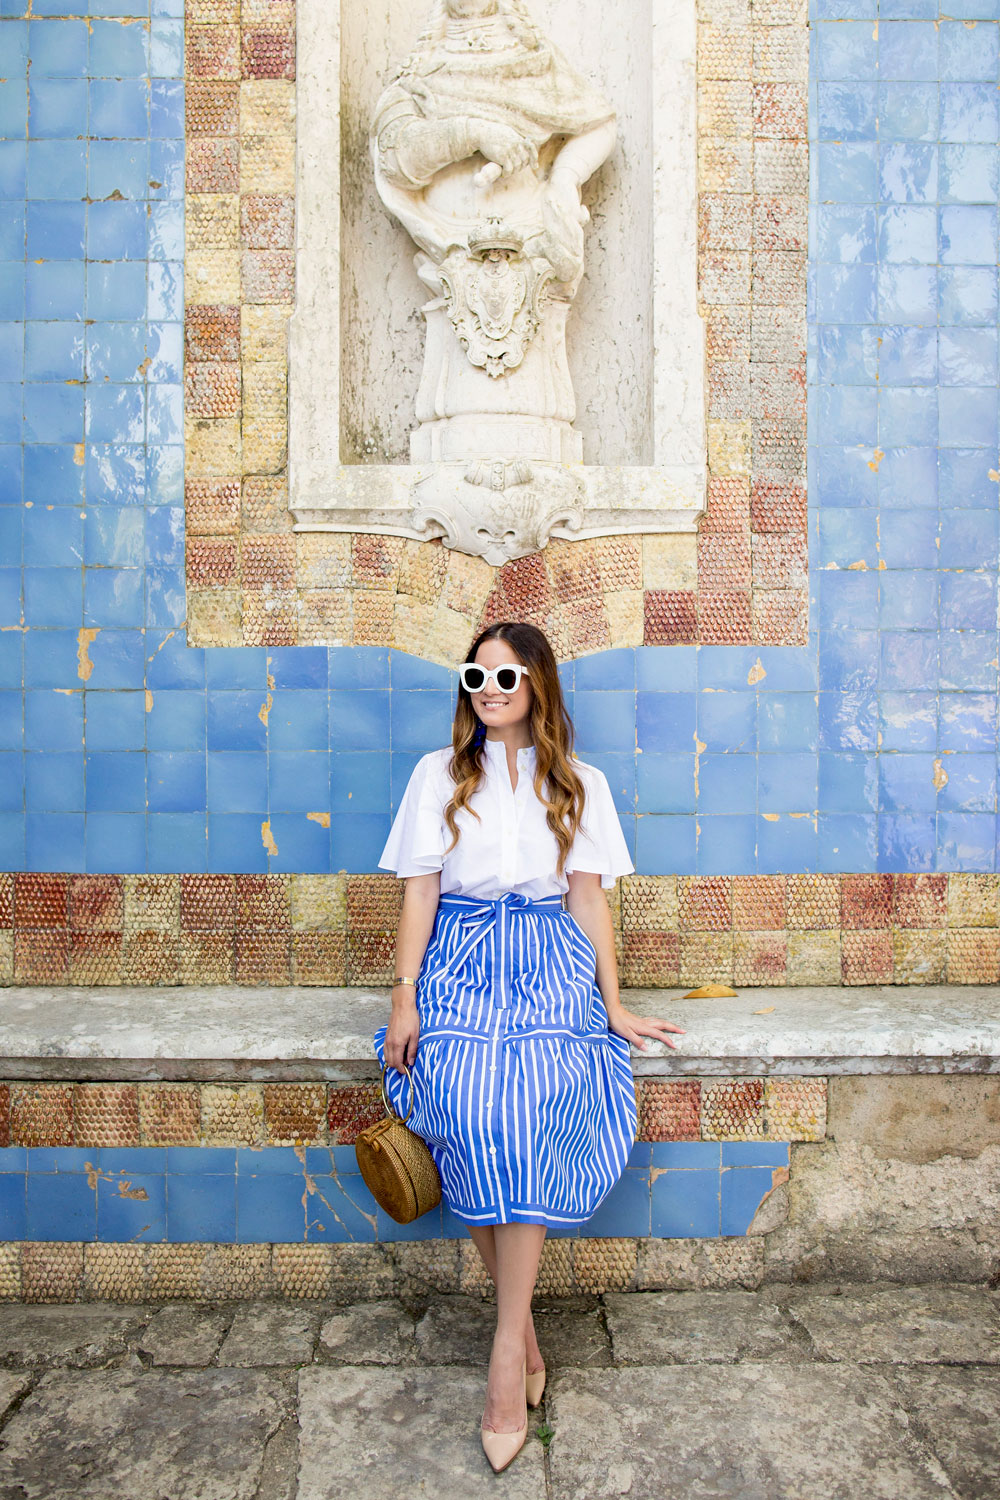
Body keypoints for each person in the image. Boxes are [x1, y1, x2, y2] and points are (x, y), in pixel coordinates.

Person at [373, 621, 683, 1473]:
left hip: (548, 962)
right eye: (477, 676)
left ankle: (506, 1354)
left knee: (534, 1095)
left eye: (507, 677)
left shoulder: (580, 782)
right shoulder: (438, 775)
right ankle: (524, 1335)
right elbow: (420, 892)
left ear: (538, 685)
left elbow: (589, 903)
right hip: (462, 963)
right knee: (470, 1103)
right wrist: (404, 1000)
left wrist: (612, 1007)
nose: (490, 689)